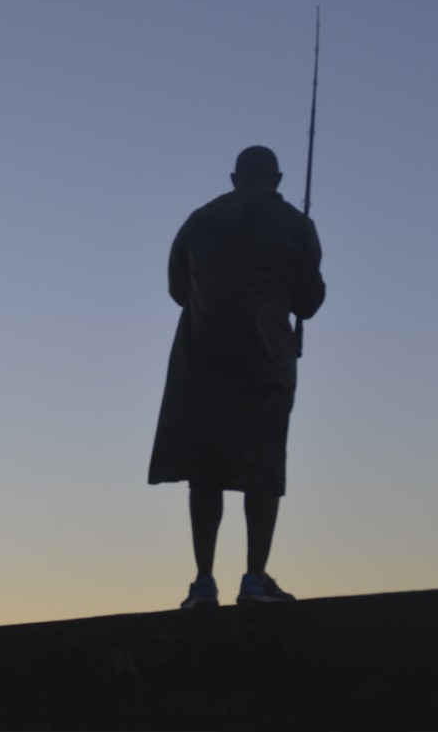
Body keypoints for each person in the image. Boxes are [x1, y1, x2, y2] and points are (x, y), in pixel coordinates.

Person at [149, 146, 325, 608]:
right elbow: (308, 301)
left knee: (204, 470)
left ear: (234, 178)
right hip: (265, 359)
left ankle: (203, 581)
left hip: (201, 360)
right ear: (279, 179)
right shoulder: (295, 224)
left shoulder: (199, 220)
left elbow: (177, 290)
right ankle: (254, 577)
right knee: (262, 465)